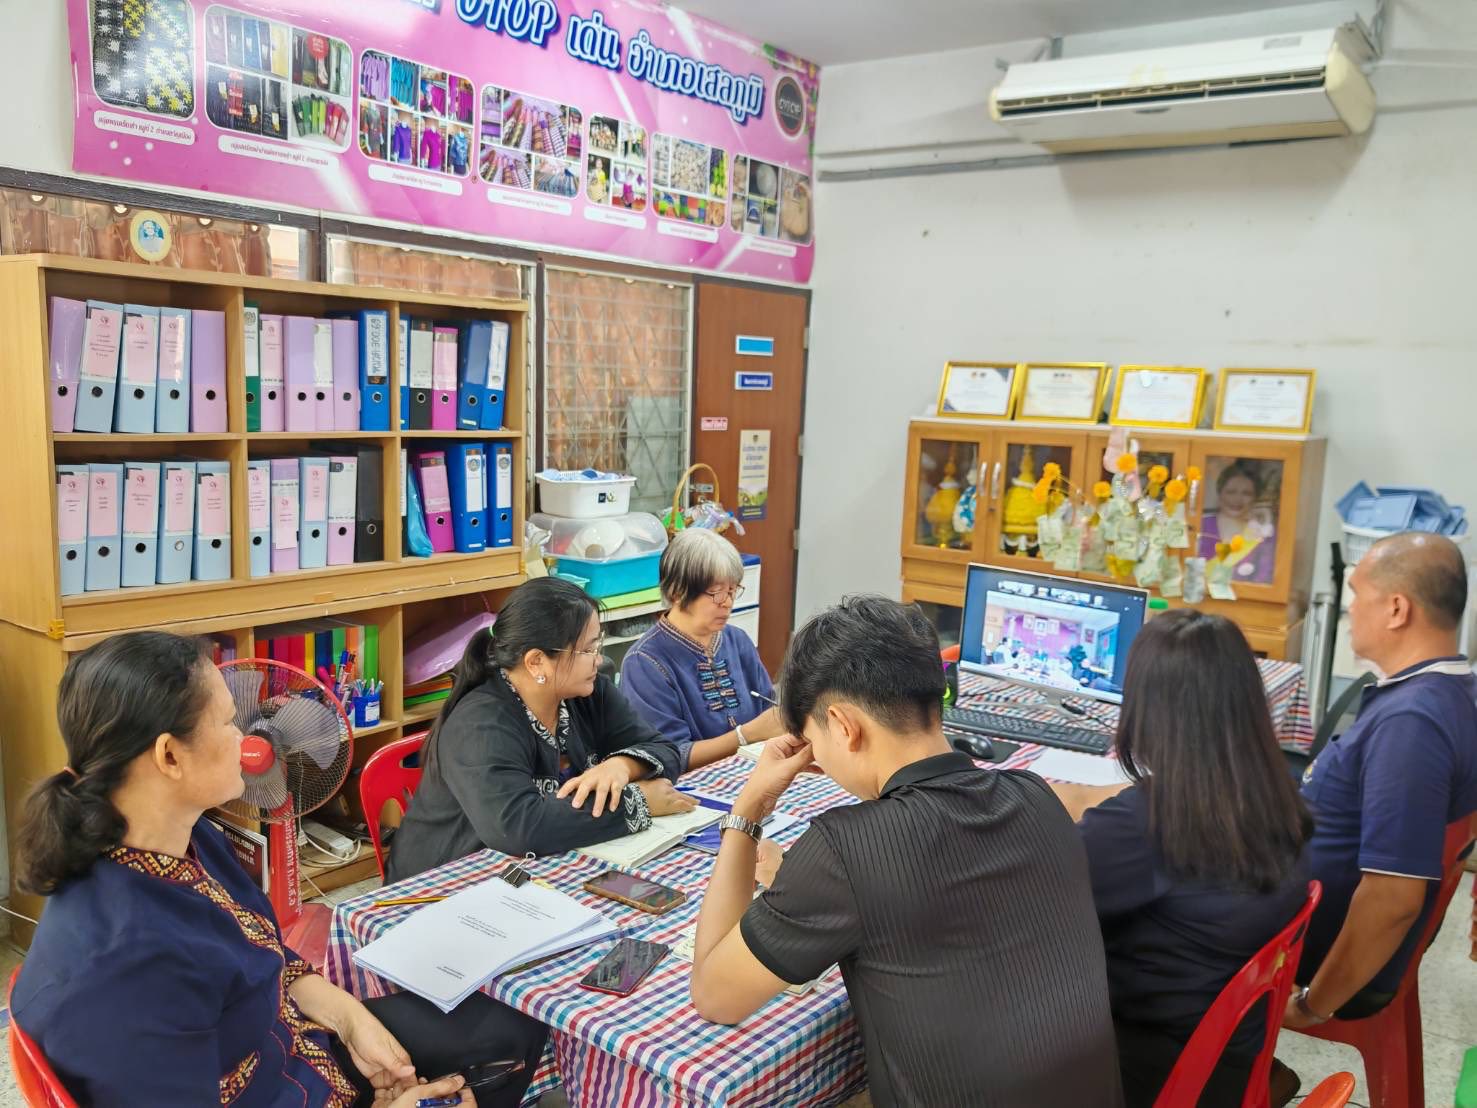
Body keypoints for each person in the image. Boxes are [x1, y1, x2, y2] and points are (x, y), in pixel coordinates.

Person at [10, 631, 545, 1107]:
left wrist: (349, 1018)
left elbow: (262, 952)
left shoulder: (191, 835)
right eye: (227, 722)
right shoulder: (127, 971)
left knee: (511, 1022)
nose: (247, 737)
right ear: (170, 757)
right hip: (283, 1081)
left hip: (300, 1056)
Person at [689, 596, 1123, 1107]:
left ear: (844, 726)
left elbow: (715, 996)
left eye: (812, 741)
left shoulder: (844, 849)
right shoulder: (1037, 797)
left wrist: (749, 808)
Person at [1054, 610, 1313, 1107]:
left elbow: (1027, 894)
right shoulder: (1271, 795)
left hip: (1149, 1072)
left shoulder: (1147, 826)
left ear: (1146, 710)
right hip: (1223, 1057)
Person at [1281, 533, 1476, 1042]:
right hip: (1308, 901)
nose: (1350, 613)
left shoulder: (1412, 723)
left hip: (1308, 939)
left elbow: (1393, 898)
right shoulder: (1449, 690)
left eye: (1356, 599)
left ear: (1396, 609)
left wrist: (1312, 1006)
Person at [387, 576, 694, 880]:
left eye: (596, 644)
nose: (599, 660)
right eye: (587, 650)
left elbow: (666, 751)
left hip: (529, 871)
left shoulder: (589, 694)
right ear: (536, 662)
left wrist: (621, 766)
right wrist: (637, 802)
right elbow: (519, 827)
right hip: (444, 884)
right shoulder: (479, 725)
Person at [620, 528, 787, 771]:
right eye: (716, 593)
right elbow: (666, 756)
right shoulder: (644, 661)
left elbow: (768, 712)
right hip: (689, 789)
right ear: (677, 591)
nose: (727, 603)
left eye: (732, 591)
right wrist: (744, 735)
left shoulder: (737, 640)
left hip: (751, 772)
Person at [1197, 461, 1275, 583]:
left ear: (1255, 498)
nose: (1237, 499)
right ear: (1220, 493)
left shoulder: (1263, 534)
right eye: (1231, 492)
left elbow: (1265, 580)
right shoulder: (1200, 525)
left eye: (1247, 493)